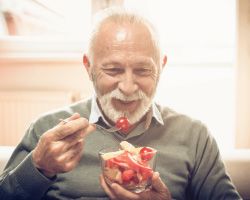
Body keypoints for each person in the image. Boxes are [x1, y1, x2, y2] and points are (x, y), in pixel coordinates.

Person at [0, 8, 241, 200]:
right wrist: (38, 167)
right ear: (89, 67)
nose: (127, 87)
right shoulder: (47, 130)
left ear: (162, 66)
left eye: (143, 70)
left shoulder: (194, 136)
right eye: (113, 70)